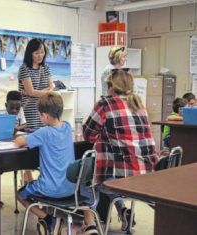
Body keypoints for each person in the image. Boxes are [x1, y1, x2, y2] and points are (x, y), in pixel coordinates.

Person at [81, 69, 158, 235]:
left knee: (88, 176)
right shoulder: (139, 104)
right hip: (147, 175)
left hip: (122, 178)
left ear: (110, 87)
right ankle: (123, 209)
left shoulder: (106, 103)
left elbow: (88, 134)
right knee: (110, 166)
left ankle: (89, 224)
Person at [14, 92, 75, 235]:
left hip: (50, 190)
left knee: (20, 194)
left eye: (40, 115)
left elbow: (19, 142)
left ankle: (48, 218)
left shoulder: (44, 132)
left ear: (45, 116)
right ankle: (48, 221)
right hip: (71, 188)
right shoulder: (67, 127)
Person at [18, 38, 54, 184]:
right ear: (30, 53)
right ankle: (27, 175)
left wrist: (37, 91)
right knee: (29, 141)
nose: (40, 55)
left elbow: (51, 88)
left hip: (44, 109)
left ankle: (42, 173)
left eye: (42, 52)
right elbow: (31, 92)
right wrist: (42, 91)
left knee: (43, 140)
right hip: (29, 110)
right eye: (37, 52)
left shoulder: (46, 67)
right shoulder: (24, 68)